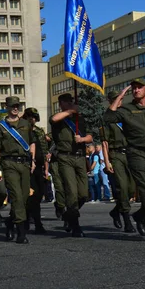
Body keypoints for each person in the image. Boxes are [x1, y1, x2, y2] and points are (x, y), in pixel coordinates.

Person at [103, 78, 145, 243]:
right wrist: (121, 95)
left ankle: (140, 216)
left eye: (139, 87)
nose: (136, 90)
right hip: (136, 154)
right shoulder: (126, 110)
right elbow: (108, 117)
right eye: (134, 88)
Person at [0, 96, 37, 244]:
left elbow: (32, 143)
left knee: (24, 198)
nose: (15, 108)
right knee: (17, 196)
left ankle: (10, 222)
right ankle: (21, 231)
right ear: (6, 107)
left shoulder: (25, 123)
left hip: (24, 163)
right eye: (12, 106)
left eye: (17, 105)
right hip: (9, 164)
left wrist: (33, 160)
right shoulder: (1, 126)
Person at [50, 93, 93, 237]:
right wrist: (70, 111)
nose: (67, 104)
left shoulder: (79, 119)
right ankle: (75, 225)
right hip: (65, 157)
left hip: (80, 157)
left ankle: (69, 214)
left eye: (70, 102)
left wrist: (82, 139)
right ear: (61, 104)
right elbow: (54, 118)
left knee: (83, 194)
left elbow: (90, 136)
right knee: (71, 192)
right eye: (65, 102)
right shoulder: (59, 119)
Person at [101, 90, 136, 233]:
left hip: (129, 154)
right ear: (110, 101)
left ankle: (116, 211)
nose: (119, 101)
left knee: (131, 189)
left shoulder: (126, 115)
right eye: (116, 99)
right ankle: (127, 221)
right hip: (115, 154)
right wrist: (107, 161)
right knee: (122, 187)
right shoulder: (107, 119)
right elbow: (104, 143)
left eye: (120, 98)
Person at [22, 107, 48, 234]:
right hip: (26, 167)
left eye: (33, 117)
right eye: (29, 116)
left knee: (39, 194)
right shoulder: (22, 131)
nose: (32, 119)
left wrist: (46, 168)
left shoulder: (39, 131)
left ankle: (30, 217)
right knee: (31, 194)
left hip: (39, 167)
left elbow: (44, 150)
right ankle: (34, 222)